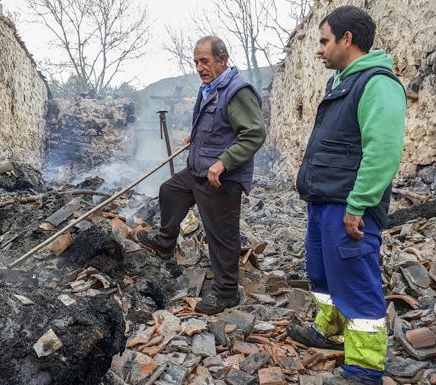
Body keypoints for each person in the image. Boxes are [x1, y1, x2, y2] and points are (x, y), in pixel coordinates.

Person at [288, 6, 406, 385]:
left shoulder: (377, 84)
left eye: (324, 41)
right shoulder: (340, 82)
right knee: (322, 276)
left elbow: (383, 152)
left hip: (348, 207)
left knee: (356, 283)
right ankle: (332, 332)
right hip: (324, 203)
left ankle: (364, 369)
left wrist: (359, 205)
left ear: (347, 40)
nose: (320, 50)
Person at [136, 35, 266, 315]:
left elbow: (254, 134)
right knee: (170, 191)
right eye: (195, 62)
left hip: (222, 177)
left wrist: (224, 162)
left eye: (204, 61)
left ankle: (226, 292)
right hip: (199, 168)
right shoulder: (211, 88)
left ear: (223, 59)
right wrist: (195, 138)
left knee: (221, 234)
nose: (199, 67)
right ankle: (165, 243)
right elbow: (218, 125)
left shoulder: (237, 91)